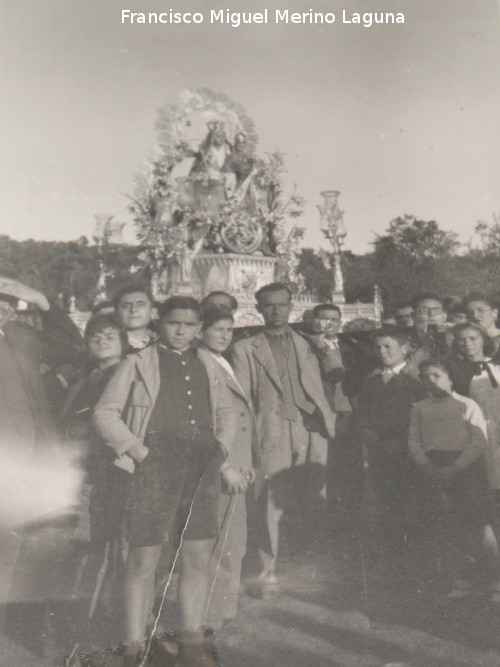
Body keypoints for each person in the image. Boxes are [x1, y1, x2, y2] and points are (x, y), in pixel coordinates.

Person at [93, 296, 239, 667]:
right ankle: (133, 648)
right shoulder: (137, 362)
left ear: (199, 328)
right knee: (143, 558)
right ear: (160, 323)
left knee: (197, 557)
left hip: (201, 467)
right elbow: (105, 413)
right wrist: (137, 451)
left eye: (189, 325)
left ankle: (192, 648)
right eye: (174, 323)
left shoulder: (209, 362)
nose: (181, 331)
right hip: (155, 466)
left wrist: (219, 451)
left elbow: (227, 412)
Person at [231, 283, 336, 597]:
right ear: (259, 308)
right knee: (269, 505)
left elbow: (331, 376)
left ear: (292, 306)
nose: (276, 311)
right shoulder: (245, 348)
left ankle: (302, 571)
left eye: (281, 305)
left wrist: (326, 346)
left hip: (309, 430)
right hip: (271, 430)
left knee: (309, 501)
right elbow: (243, 400)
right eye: (269, 306)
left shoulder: (307, 343)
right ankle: (266, 574)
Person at [59, 314, 129, 633]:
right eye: (95, 337)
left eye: (109, 336)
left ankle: (107, 621)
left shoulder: (129, 375)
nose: (101, 342)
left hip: (114, 472)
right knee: (86, 548)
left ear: (123, 341)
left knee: (111, 551)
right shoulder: (84, 380)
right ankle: (85, 622)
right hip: (83, 472)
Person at [409, 360, 500, 600]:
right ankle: (462, 579)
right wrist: (427, 464)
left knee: (478, 526)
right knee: (447, 526)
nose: (431, 381)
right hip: (433, 470)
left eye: (437, 375)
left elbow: (479, 441)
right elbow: (414, 442)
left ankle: (494, 581)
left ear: (450, 379)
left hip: (465, 470)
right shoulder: (420, 408)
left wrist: (456, 466)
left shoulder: (467, 405)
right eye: (425, 377)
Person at [198, 306, 260, 629]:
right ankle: (210, 616)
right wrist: (224, 467)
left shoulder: (221, 361)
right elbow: (208, 423)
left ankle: (221, 611)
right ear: (201, 330)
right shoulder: (202, 364)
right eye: (217, 329)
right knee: (220, 542)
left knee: (233, 540)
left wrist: (246, 462)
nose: (225, 335)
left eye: (229, 329)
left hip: (237, 461)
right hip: (221, 464)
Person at [357, 326, 425, 578]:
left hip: (406, 452)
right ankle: (390, 562)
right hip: (379, 452)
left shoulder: (414, 379)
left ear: (404, 349)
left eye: (388, 347)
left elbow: (420, 415)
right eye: (378, 347)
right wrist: (367, 432)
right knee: (384, 505)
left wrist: (405, 441)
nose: (382, 351)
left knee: (410, 504)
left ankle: (414, 562)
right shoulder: (372, 379)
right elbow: (363, 411)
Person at [113, 283, 158, 354]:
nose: (133, 309)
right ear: (116, 314)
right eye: (126, 306)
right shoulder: (111, 346)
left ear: (152, 312)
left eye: (141, 305)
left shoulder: (160, 344)